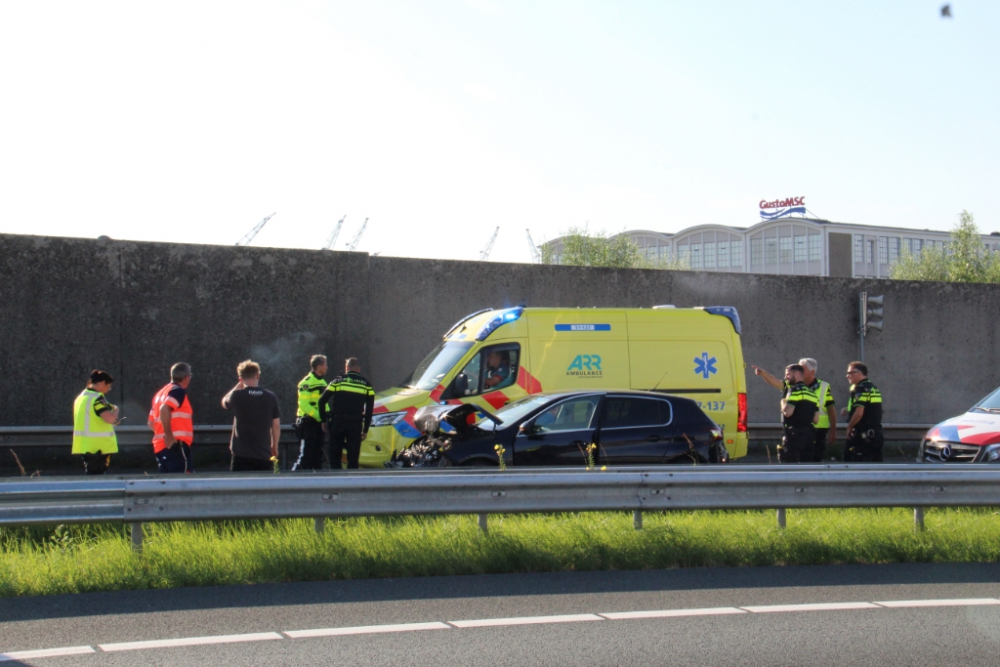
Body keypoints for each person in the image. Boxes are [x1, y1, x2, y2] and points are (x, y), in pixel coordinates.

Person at [222, 360, 282, 472]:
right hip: (264, 453)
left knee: (239, 488)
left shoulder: (236, 396)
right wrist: (274, 447)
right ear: (258, 375)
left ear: (240, 379)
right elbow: (276, 425)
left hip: (241, 454)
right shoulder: (270, 396)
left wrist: (238, 386)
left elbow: (225, 402)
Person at [319, 357, 375, 470]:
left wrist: (323, 420)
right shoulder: (366, 384)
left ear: (346, 368)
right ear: (358, 369)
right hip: (355, 424)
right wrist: (365, 430)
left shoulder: (337, 381)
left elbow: (321, 401)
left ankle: (336, 484)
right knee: (353, 459)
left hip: (337, 423)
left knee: (335, 457)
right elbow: (369, 410)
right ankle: (352, 484)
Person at [148, 362, 195, 473]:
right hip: (175, 446)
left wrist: (164, 435)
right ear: (186, 377)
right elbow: (164, 409)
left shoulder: (160, 394)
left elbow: (151, 423)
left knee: (167, 484)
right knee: (182, 482)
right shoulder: (177, 392)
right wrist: (169, 436)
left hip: (161, 447)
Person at [72, 370, 120, 475]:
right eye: (108, 386)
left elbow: (91, 419)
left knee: (91, 476)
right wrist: (116, 409)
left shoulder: (81, 397)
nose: (107, 390)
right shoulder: (97, 399)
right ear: (102, 382)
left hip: (85, 445)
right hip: (99, 447)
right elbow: (110, 419)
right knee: (98, 477)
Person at [291, 354, 329, 471]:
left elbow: (324, 403)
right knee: (306, 456)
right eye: (325, 365)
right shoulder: (306, 382)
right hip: (308, 423)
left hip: (319, 424)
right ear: (319, 366)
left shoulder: (322, 382)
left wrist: (327, 416)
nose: (327, 367)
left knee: (318, 457)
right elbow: (304, 405)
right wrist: (320, 417)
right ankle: (292, 482)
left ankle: (316, 484)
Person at [842, 361, 884, 462]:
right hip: (876, 434)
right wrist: (848, 409)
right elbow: (870, 407)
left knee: (852, 465)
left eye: (850, 373)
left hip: (863, 436)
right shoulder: (873, 387)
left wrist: (849, 427)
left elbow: (859, 413)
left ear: (859, 373)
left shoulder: (860, 389)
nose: (847, 376)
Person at [798, 358, 837, 462]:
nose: (799, 372)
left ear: (812, 372)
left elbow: (831, 410)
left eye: (802, 369)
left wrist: (833, 430)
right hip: (800, 429)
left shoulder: (824, 386)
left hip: (818, 430)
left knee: (815, 458)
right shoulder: (795, 385)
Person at [778, 364, 819, 463]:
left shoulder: (794, 390)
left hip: (794, 435)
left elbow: (788, 413)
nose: (785, 377)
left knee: (790, 468)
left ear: (796, 374)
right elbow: (816, 420)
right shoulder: (812, 393)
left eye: (788, 374)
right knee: (807, 467)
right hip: (809, 436)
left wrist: (783, 403)